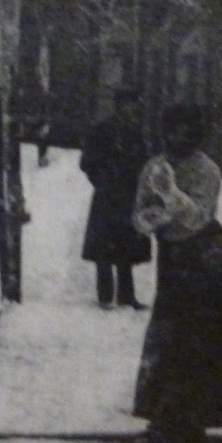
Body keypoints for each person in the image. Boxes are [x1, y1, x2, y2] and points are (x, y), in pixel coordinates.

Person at [130, 105, 222, 443]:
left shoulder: (207, 170)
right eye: (172, 130)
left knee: (201, 339)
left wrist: (171, 196)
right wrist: (150, 217)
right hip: (172, 259)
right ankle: (168, 417)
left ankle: (196, 420)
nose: (178, 138)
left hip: (205, 257)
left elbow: (199, 217)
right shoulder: (154, 167)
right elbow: (141, 213)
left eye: (185, 131)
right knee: (169, 337)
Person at [80, 88, 152, 309]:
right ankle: (105, 296)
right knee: (105, 246)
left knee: (126, 246)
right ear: (120, 105)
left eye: (136, 104)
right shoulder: (102, 131)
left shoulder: (136, 133)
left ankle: (126, 296)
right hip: (108, 196)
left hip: (130, 196)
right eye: (131, 104)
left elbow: (144, 162)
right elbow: (87, 161)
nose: (135, 109)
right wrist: (103, 178)